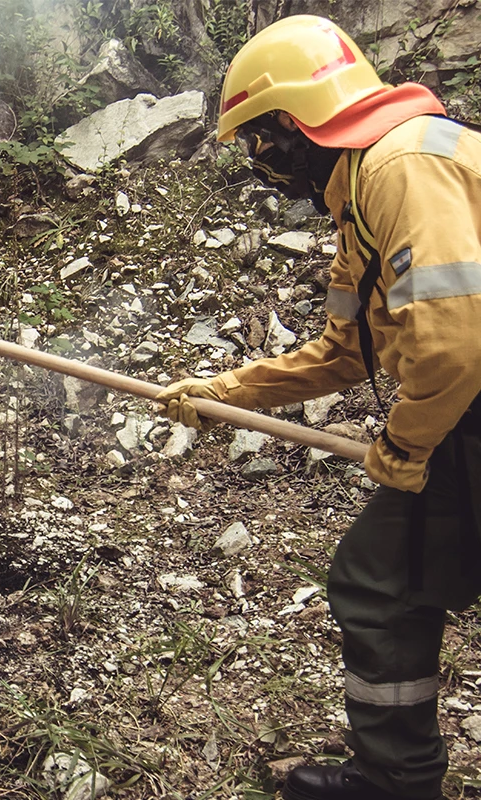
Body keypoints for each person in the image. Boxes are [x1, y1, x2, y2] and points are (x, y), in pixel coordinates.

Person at [156, 14, 481, 800]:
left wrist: (404, 449)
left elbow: (453, 343)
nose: (261, 162)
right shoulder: (365, 187)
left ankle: (396, 779)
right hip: (461, 414)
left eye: (259, 140)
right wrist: (225, 393)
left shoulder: (402, 166)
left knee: (382, 580)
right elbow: (348, 351)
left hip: (460, 406)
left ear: (293, 123)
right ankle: (396, 777)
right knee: (384, 581)